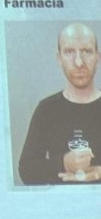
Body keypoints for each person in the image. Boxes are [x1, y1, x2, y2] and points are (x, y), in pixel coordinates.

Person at [19, 23, 101, 184]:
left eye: (86, 51)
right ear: (59, 58)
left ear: (98, 57)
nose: (79, 62)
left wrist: (99, 173)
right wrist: (63, 163)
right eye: (69, 52)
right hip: (60, 200)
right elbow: (26, 170)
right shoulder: (46, 109)